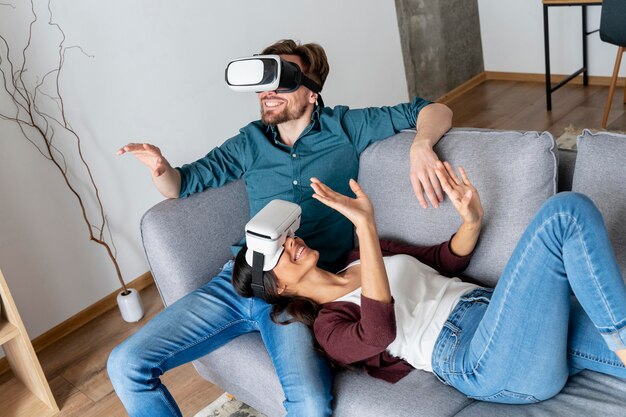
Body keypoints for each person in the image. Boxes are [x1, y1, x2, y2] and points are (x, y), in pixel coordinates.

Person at [108, 38, 454, 417]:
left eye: (281, 79)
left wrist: (421, 144)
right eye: (263, 81)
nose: (267, 92)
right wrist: (161, 169)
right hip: (238, 279)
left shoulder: (345, 127)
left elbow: (432, 109)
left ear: (311, 92)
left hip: (297, 295)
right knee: (126, 364)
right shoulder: (249, 142)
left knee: (309, 403)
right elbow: (181, 184)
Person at [232, 162, 626, 404]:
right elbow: (379, 331)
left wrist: (472, 219)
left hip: (508, 319)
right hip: (483, 360)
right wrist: (365, 226)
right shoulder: (327, 328)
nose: (291, 243)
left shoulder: (357, 259)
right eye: (279, 252)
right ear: (278, 288)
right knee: (565, 213)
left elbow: (443, 260)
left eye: (286, 237)